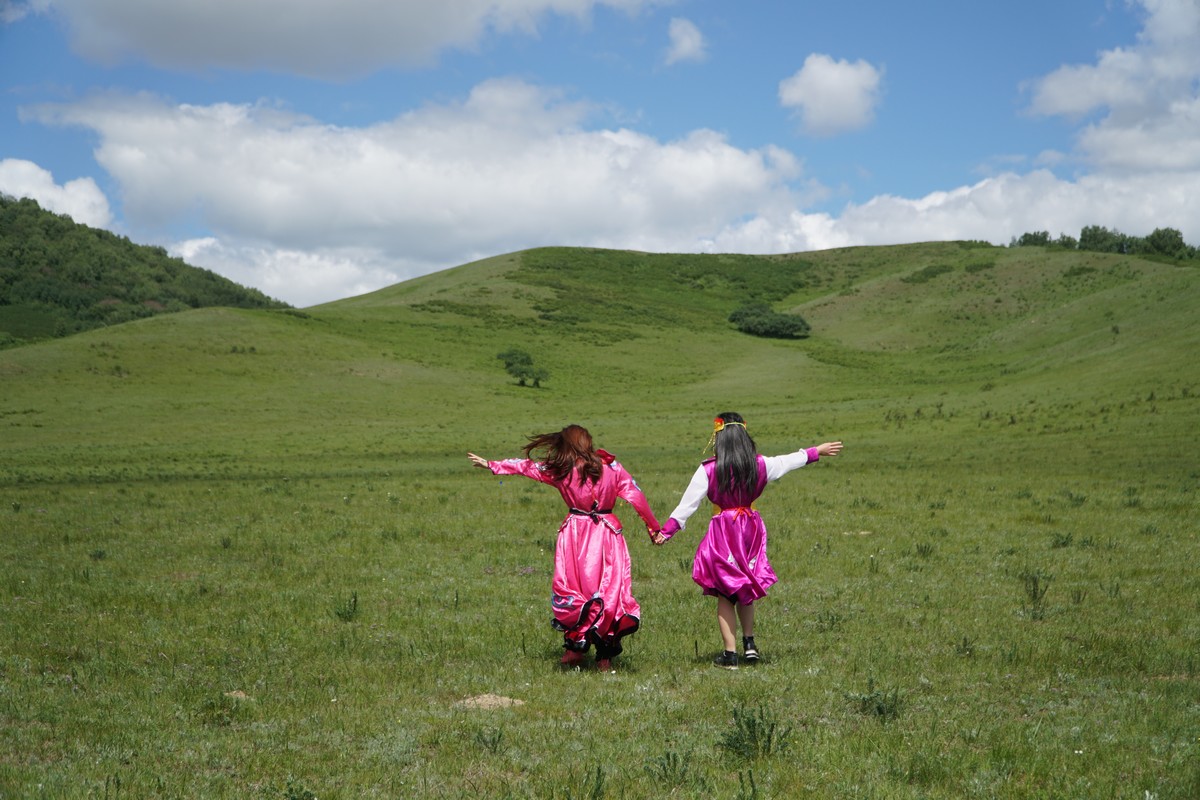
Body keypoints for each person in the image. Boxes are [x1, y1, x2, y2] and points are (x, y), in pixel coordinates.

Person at [468, 424, 661, 672]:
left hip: (577, 537)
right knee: (610, 591)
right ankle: (604, 656)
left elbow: (526, 467)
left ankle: (575, 649)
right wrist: (654, 529)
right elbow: (636, 495)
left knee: (575, 589)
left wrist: (492, 465)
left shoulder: (562, 470)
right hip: (608, 535)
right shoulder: (613, 468)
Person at [658, 412, 842, 669]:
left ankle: (730, 655)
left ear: (718, 438)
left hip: (723, 532)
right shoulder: (760, 465)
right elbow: (788, 461)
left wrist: (666, 531)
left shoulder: (709, 469)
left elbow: (687, 505)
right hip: (749, 530)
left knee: (725, 593)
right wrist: (816, 451)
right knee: (745, 589)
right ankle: (750, 644)